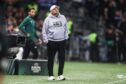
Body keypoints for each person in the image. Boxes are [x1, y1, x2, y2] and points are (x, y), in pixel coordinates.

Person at [42, 5, 69, 80]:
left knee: (62, 59)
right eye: (54, 9)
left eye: (57, 8)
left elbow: (66, 27)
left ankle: (60, 75)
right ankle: (50, 75)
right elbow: (44, 30)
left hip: (62, 41)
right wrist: (46, 40)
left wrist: (66, 37)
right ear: (51, 11)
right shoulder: (47, 19)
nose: (56, 10)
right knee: (51, 58)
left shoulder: (63, 17)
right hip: (51, 41)